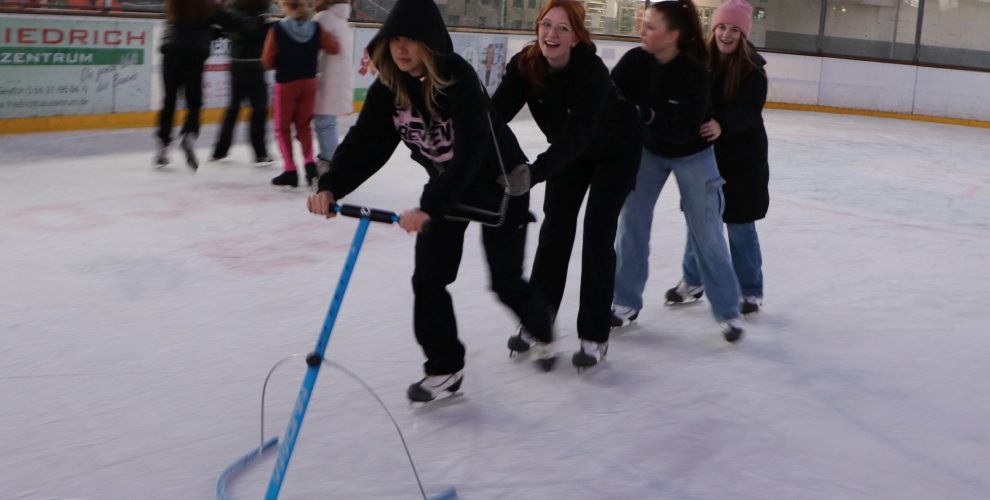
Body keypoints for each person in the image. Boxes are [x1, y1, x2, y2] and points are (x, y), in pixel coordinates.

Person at [305, 0, 556, 402]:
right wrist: (331, 186)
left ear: (433, 43)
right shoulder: (391, 87)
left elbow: (472, 151)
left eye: (413, 41)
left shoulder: (459, 80)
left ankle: (542, 329)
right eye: (396, 40)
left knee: (506, 283)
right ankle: (445, 368)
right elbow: (366, 144)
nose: (402, 50)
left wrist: (429, 209)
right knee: (428, 279)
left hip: (499, 186)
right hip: (446, 189)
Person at [491, 0, 640, 369]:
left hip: (614, 151)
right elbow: (492, 118)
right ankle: (539, 318)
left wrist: (533, 173)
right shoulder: (525, 65)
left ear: (576, 37)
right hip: (568, 154)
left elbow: (577, 137)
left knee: (597, 235)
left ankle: (593, 334)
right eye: (546, 24)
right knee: (555, 232)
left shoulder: (589, 71)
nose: (551, 34)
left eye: (562, 28)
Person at [610, 0, 744, 342]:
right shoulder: (635, 60)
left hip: (693, 154)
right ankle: (624, 302)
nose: (644, 30)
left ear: (672, 35)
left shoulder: (695, 71)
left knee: (708, 230)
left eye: (652, 26)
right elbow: (609, 95)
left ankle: (728, 311)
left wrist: (648, 115)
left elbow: (685, 128)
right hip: (648, 151)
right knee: (630, 224)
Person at [694, 0, 769, 315]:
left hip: (743, 162)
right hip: (705, 157)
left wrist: (721, 125)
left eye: (734, 29)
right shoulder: (699, 61)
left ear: (743, 34)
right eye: (722, 27)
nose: (726, 34)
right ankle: (693, 279)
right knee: (701, 224)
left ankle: (750, 290)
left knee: (739, 227)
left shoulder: (753, 72)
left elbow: (748, 111)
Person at [261, 0, 340, 187]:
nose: (280, 8)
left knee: (283, 128)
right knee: (304, 126)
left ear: (288, 7)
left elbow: (267, 61)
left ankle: (290, 170)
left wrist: (284, 60)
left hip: (286, 84)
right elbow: (334, 48)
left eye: (282, 5)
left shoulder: (277, 29)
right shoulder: (316, 28)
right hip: (309, 83)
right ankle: (309, 165)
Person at [155, 0, 236, 170]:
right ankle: (189, 134)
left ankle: (162, 147)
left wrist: (209, 31)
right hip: (193, 54)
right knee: (194, 102)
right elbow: (230, 22)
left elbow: (181, 25)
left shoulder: (173, 4)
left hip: (171, 52)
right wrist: (215, 31)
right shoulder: (206, 5)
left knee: (169, 101)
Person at [210, 0, 275, 165]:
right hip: (251, 65)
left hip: (239, 64)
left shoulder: (234, 12)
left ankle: (220, 150)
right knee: (258, 110)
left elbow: (230, 28)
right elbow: (249, 28)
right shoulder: (258, 15)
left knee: (235, 109)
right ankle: (260, 153)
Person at [312, 0, 355, 170]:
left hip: (328, 77)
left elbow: (311, 47)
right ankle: (329, 161)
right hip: (336, 78)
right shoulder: (340, 18)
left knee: (324, 124)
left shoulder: (324, 17)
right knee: (327, 123)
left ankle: (331, 165)